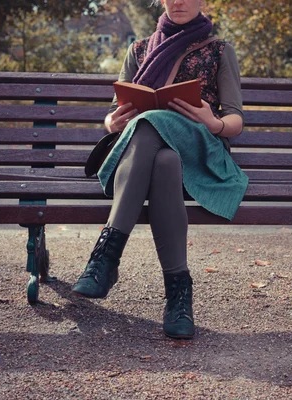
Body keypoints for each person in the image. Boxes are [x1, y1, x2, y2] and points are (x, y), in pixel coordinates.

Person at [71, 0, 247, 340]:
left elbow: (236, 120)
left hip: (198, 153)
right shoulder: (138, 50)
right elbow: (114, 113)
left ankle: (105, 258)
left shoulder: (219, 50)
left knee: (151, 122)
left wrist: (213, 122)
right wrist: (111, 120)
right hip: (150, 161)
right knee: (163, 156)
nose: (178, 1)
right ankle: (179, 297)